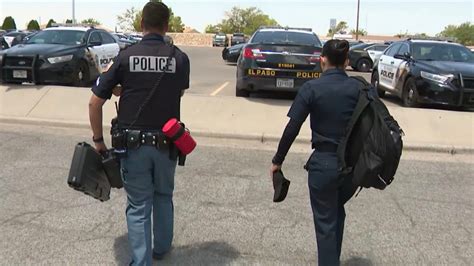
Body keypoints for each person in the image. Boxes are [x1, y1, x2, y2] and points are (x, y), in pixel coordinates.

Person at [88, 2, 190, 265]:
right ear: (167, 26)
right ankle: (162, 249)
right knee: (164, 196)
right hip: (168, 145)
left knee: (138, 205)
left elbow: (94, 102)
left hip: (133, 148)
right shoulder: (179, 58)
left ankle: (141, 261)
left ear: (141, 24)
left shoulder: (124, 57)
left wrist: (99, 141)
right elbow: (175, 92)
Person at [270, 39, 361, 266]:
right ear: (347, 62)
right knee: (336, 213)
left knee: (325, 223)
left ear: (322, 59)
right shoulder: (360, 88)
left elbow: (293, 127)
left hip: (324, 164)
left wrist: (277, 161)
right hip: (352, 166)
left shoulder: (312, 88)